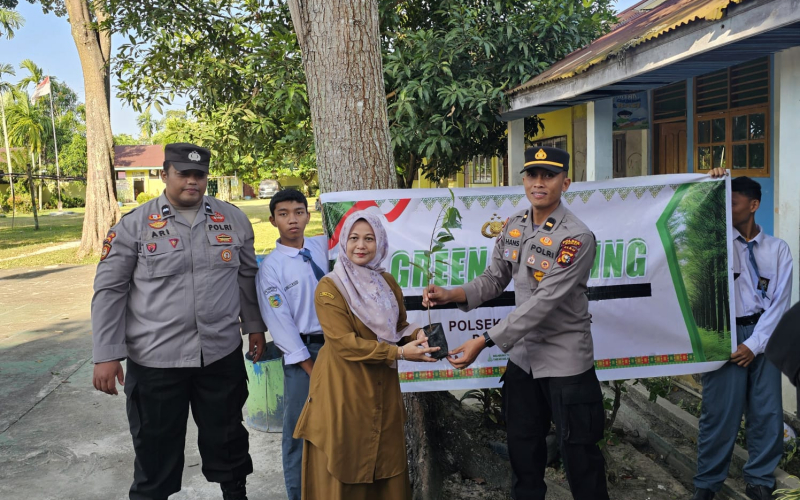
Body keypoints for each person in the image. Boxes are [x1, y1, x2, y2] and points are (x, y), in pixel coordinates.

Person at [423, 146, 609, 500]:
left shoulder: (576, 237)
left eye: (549, 175)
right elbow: (493, 279)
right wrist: (453, 295)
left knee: (580, 456)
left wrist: (484, 340)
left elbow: (545, 302)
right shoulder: (514, 226)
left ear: (565, 183)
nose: (539, 182)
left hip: (565, 361)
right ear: (523, 180)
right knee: (524, 455)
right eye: (532, 175)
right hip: (523, 359)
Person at [91, 143, 267, 500]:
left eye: (198, 175)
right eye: (182, 174)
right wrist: (106, 354)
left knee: (229, 438)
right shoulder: (134, 226)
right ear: (164, 175)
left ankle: (236, 494)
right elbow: (110, 291)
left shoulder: (232, 219)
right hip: (156, 359)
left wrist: (254, 327)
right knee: (155, 449)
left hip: (219, 353)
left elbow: (247, 278)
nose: (191, 181)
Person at [293, 210, 439, 500]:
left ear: (380, 243)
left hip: (382, 385)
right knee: (347, 459)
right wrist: (398, 352)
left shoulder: (386, 282)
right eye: (354, 238)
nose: (361, 245)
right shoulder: (330, 287)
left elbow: (398, 326)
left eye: (369, 239)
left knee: (384, 455)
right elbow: (344, 343)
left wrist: (417, 335)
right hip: (343, 388)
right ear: (344, 243)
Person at [692, 170, 793, 500]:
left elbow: (779, 303)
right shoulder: (715, 244)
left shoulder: (778, 250)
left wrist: (754, 344)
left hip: (766, 335)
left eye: (732, 203)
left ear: (753, 205)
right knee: (719, 413)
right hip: (725, 333)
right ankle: (707, 484)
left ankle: (760, 479)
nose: (725, 209)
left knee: (767, 412)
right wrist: (711, 184)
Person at [255, 189, 328, 500]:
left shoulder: (323, 246)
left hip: (340, 347)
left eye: (299, 212)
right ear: (273, 221)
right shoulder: (271, 268)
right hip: (305, 355)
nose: (292, 219)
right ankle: (298, 494)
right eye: (283, 214)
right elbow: (281, 325)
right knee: (299, 430)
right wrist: (310, 367)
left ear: (308, 216)